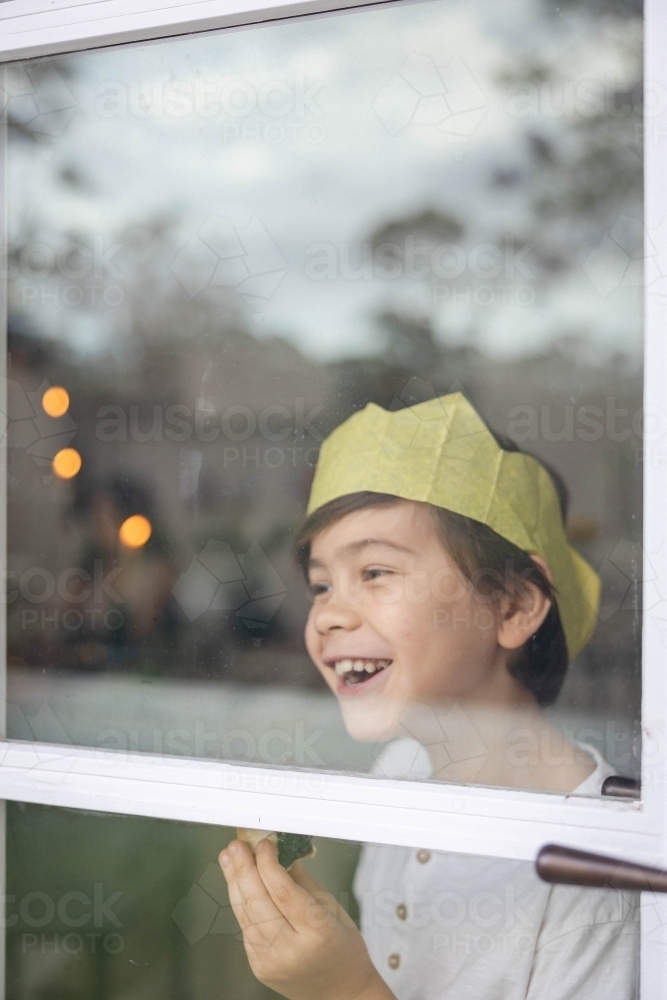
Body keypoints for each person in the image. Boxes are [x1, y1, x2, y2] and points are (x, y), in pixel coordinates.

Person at [218, 393, 639, 1000]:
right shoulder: (400, 774)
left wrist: (344, 990)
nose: (329, 614)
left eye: (375, 572)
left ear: (513, 606)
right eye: (319, 584)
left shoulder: (597, 877)